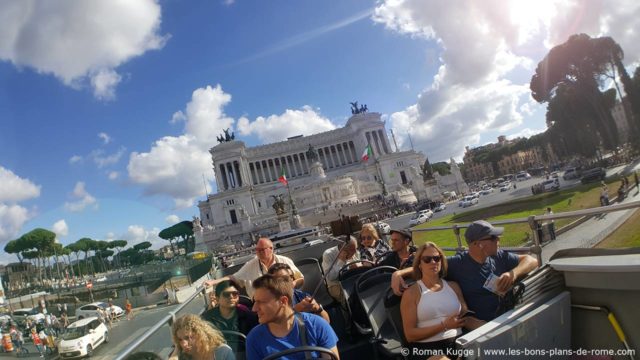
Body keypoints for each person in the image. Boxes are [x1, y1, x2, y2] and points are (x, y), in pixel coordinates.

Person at [391, 221, 539, 323]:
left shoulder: (499, 256)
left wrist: (513, 274)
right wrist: (398, 274)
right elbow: (430, 263)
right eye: (493, 237)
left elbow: (532, 261)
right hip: (482, 327)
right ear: (478, 244)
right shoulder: (458, 264)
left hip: (510, 316)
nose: (498, 239)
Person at [401, 242, 470, 359]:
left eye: (437, 258)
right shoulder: (412, 293)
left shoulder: (453, 286)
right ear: (419, 265)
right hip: (427, 349)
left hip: (458, 342)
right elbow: (410, 335)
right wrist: (444, 326)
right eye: (427, 259)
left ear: (441, 262)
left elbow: (466, 316)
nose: (433, 262)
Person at [246, 274, 339, 360]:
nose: (254, 309)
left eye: (261, 302)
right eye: (255, 302)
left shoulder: (317, 325)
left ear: (283, 301)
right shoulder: (254, 338)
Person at [205, 237, 304, 298]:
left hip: (285, 298)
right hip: (262, 305)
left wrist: (292, 284)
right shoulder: (251, 264)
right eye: (257, 250)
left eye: (262, 250)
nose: (259, 253)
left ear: (271, 249)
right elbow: (233, 277)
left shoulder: (284, 261)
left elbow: (301, 279)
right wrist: (213, 282)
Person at [170, 314, 235, 360]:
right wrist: (176, 352)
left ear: (200, 334)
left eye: (187, 337)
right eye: (180, 340)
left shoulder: (223, 352)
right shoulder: (183, 356)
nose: (184, 344)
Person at [322, 235, 361, 303]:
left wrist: (359, 266)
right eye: (352, 250)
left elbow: (360, 264)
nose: (355, 252)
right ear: (343, 249)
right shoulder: (328, 254)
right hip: (336, 284)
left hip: (353, 279)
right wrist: (341, 261)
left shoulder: (355, 251)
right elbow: (330, 277)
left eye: (356, 248)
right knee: (351, 299)